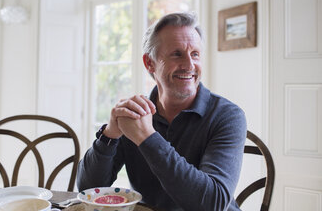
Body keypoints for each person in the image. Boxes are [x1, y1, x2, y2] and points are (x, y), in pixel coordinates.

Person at [77, 12, 247, 211]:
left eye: (195, 54)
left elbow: (212, 204)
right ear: (150, 63)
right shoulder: (136, 115)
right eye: (177, 54)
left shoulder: (228, 116)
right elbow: (88, 189)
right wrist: (109, 136)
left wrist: (147, 138)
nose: (190, 65)